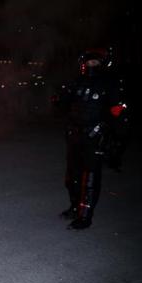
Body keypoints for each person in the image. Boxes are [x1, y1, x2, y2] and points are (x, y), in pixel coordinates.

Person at [56, 49, 127, 229]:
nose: (91, 65)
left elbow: (118, 111)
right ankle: (74, 207)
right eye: (89, 62)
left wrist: (109, 131)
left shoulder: (108, 83)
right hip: (74, 134)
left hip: (94, 135)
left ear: (101, 64)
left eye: (95, 62)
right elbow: (62, 105)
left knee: (90, 178)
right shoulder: (76, 81)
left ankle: (85, 216)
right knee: (72, 175)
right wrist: (60, 96)